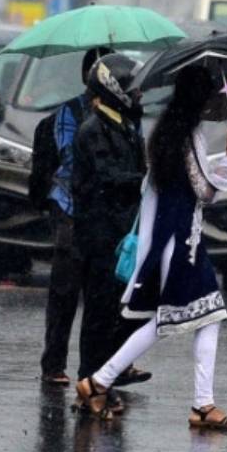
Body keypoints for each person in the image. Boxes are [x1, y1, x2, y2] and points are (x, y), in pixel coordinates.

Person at [76, 65, 227, 430]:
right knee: (188, 318)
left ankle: (104, 381)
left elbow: (192, 178)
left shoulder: (170, 132)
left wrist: (225, 159)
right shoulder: (187, 135)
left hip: (181, 240)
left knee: (189, 317)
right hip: (182, 243)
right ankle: (105, 381)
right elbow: (204, 190)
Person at [40, 47, 130, 386]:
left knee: (103, 294)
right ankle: (53, 364)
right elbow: (70, 154)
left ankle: (98, 368)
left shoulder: (124, 116)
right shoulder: (71, 113)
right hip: (70, 211)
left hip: (105, 217)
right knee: (65, 291)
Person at [70, 53, 146, 414]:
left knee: (123, 311)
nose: (140, 94)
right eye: (133, 88)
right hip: (100, 236)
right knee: (99, 313)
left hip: (120, 234)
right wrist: (145, 180)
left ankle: (104, 378)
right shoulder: (94, 130)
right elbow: (108, 178)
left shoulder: (126, 126)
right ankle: (91, 382)